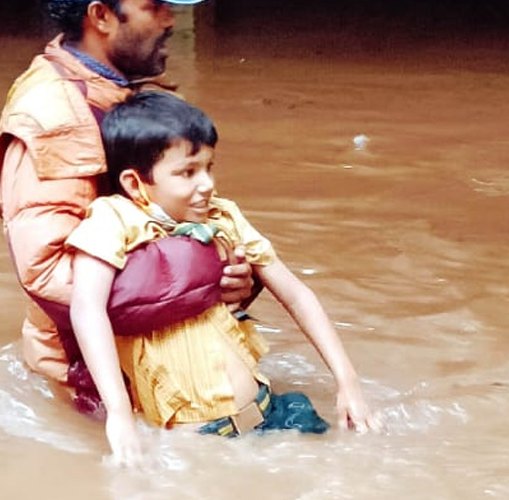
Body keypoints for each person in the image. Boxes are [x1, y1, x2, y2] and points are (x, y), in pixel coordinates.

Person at [0, 0, 255, 386]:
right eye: (153, 6)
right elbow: (47, 271)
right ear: (101, 16)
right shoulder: (54, 114)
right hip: (87, 376)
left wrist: (236, 274)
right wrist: (206, 271)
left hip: (148, 355)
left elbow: (168, 210)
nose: (169, 20)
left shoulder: (111, 91)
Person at [67, 91, 378, 465]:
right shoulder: (113, 220)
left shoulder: (223, 217)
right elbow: (87, 308)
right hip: (197, 444)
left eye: (209, 167)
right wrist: (119, 415)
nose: (207, 184)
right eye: (187, 172)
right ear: (135, 184)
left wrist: (348, 382)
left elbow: (296, 295)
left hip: (273, 413)